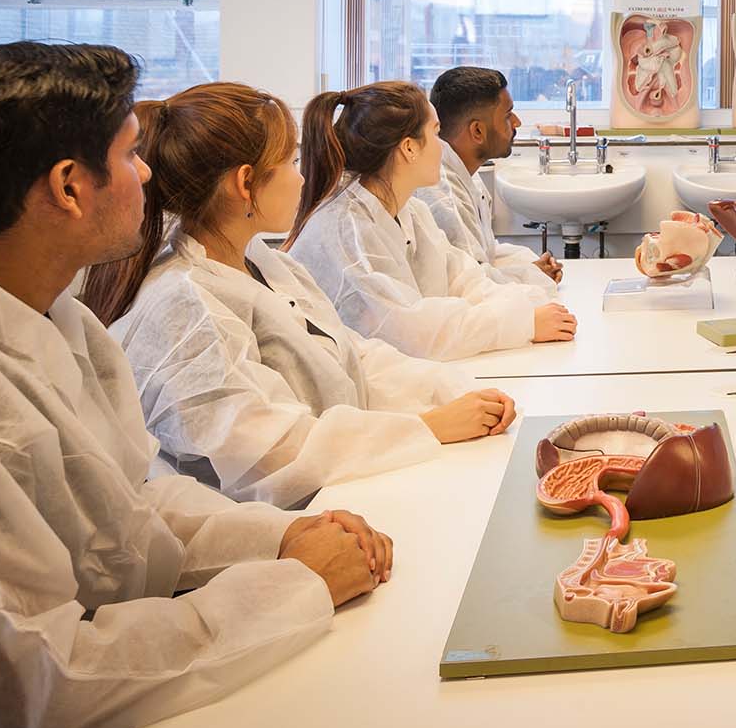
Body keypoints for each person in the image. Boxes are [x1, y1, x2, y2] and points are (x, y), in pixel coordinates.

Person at [0, 44, 392, 728]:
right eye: (132, 155)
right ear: (71, 188)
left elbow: (130, 507)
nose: (148, 175)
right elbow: (42, 685)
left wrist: (278, 537)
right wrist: (294, 590)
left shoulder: (58, 319)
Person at [81, 82, 520, 510]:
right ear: (245, 183)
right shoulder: (183, 306)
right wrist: (425, 426)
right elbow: (268, 452)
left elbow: (349, 355)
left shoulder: (263, 262)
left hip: (343, 489)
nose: (303, 175)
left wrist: (446, 390)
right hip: (269, 535)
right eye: (291, 161)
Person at [287, 81, 576, 360]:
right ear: (409, 148)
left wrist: (529, 305)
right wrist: (522, 323)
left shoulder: (410, 210)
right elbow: (406, 331)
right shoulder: (349, 230)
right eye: (436, 133)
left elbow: (462, 277)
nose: (443, 147)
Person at [417, 66, 561, 289]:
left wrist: (530, 266)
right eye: (507, 115)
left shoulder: (466, 174)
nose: (517, 122)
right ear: (477, 132)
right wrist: (530, 275)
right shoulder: (442, 194)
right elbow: (470, 284)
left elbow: (485, 252)